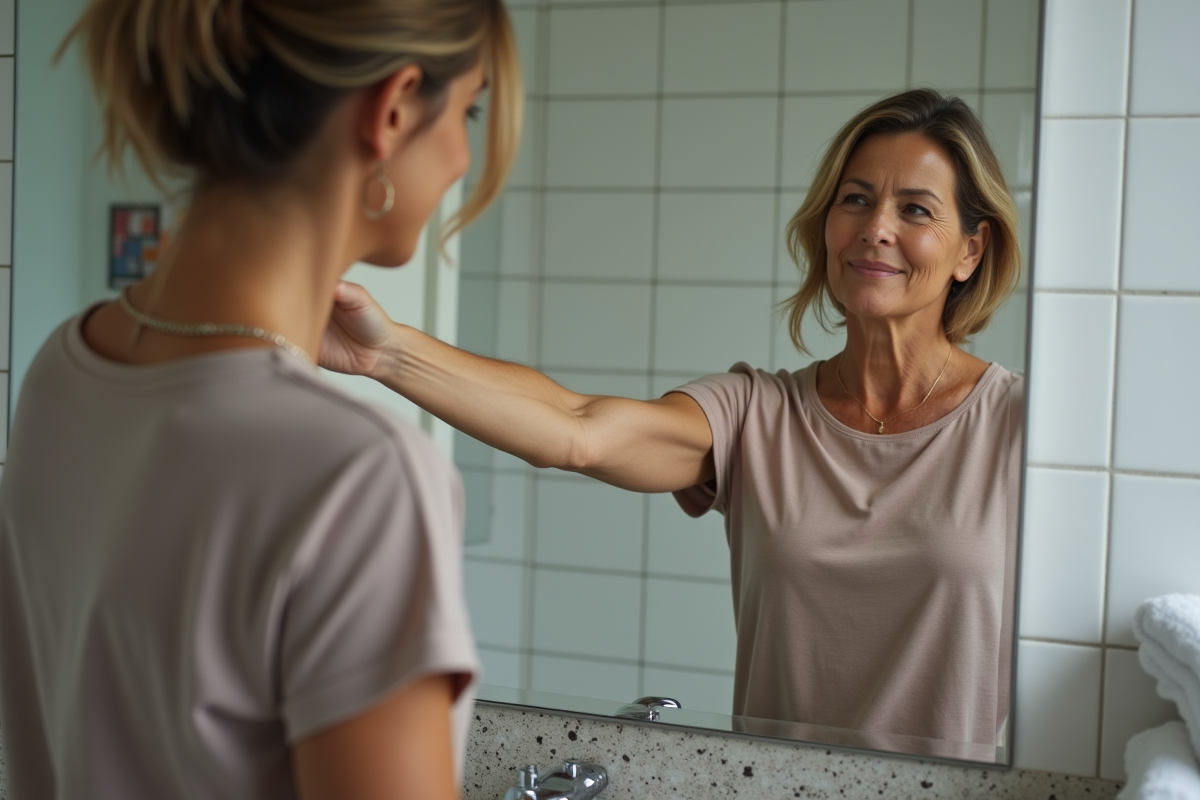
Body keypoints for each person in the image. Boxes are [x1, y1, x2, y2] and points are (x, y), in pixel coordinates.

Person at [320, 88, 1024, 750]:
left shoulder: (1022, 428)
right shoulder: (757, 415)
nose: (876, 229)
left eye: (917, 210)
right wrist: (385, 354)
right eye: (857, 199)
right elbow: (578, 429)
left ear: (971, 248)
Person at [0, 0, 520, 797]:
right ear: (391, 109)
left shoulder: (60, 375)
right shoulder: (361, 478)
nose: (460, 156)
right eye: (469, 110)